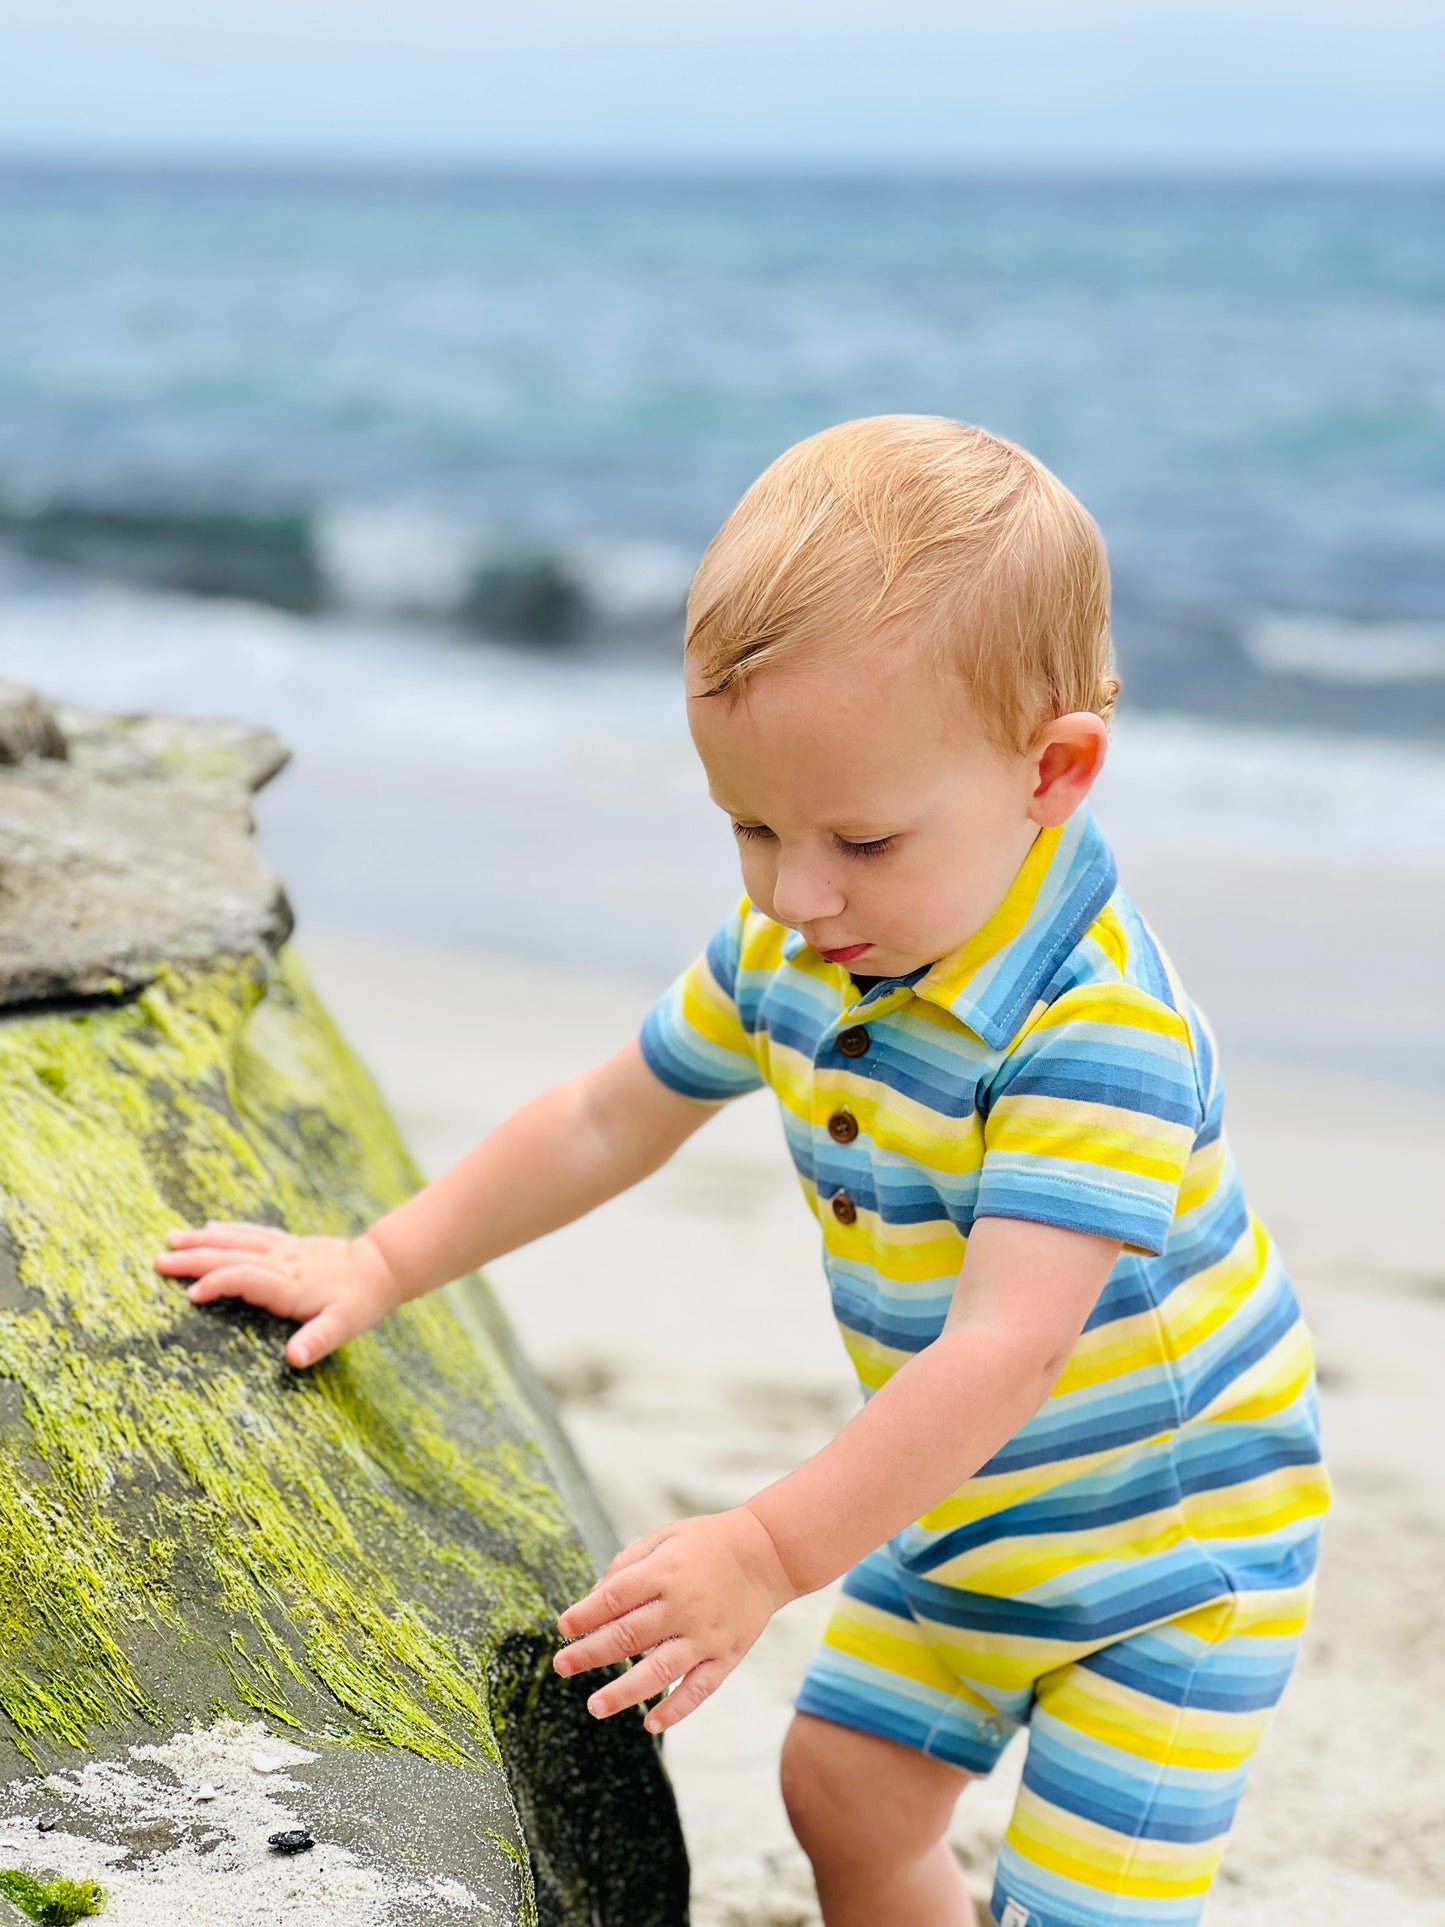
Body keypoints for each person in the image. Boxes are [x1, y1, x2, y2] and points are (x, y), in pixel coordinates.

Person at [155, 416, 1330, 1927]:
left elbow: (1002, 1349)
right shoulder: (801, 944)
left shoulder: (1091, 1035)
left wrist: (768, 1550)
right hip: (962, 1510)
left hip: (1167, 1562)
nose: (796, 889)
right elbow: (606, 1115)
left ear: (1052, 772)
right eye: (750, 826)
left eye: (860, 836)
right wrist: (382, 1262)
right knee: (840, 1795)